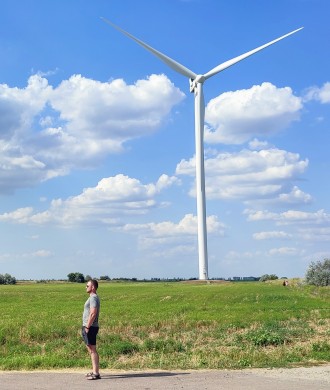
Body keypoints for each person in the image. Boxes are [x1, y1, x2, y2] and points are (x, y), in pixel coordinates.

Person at [82, 279, 101, 380]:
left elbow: (93, 313)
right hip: (89, 326)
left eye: (87, 285)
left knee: (92, 350)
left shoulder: (93, 298)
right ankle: (94, 370)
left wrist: (87, 326)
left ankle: (96, 373)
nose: (86, 287)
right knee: (91, 349)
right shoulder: (92, 297)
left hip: (91, 327)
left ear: (93, 287)